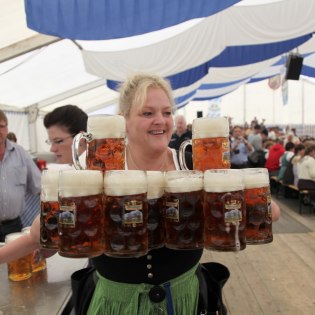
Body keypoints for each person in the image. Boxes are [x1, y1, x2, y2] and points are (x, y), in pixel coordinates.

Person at [0, 75, 281, 314]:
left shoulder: (193, 164)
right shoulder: (96, 169)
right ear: (123, 121)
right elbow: (39, 235)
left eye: (167, 112)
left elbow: (272, 211)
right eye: (148, 113)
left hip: (184, 298)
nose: (161, 120)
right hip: (115, 302)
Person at [0, 104, 87, 260]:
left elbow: (33, 238)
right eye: (51, 142)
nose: (52, 149)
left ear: (81, 139)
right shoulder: (80, 175)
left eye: (58, 141)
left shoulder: (82, 180)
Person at [0, 110, 41, 242]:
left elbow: (39, 186)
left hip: (13, 227)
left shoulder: (20, 153)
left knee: (17, 262)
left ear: (7, 127)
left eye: (1, 126)